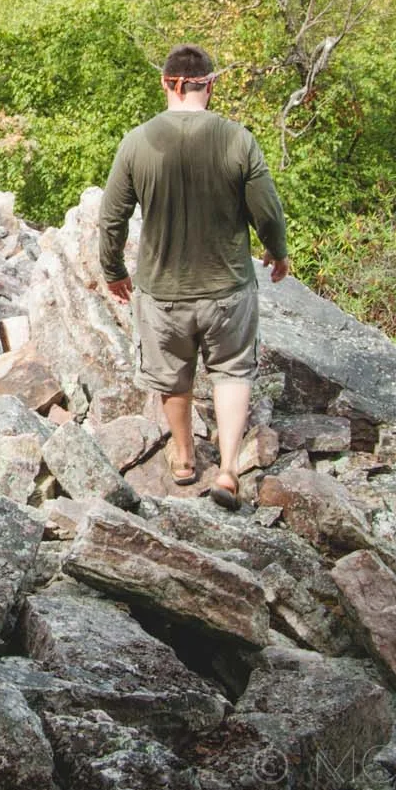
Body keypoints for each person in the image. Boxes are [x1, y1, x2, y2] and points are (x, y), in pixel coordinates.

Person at [97, 43, 289, 511]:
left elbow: (111, 218)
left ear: (166, 83)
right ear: (211, 84)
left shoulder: (137, 141)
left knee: (173, 378)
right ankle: (226, 470)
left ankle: (184, 460)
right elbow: (267, 210)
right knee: (231, 372)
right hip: (227, 287)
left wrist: (113, 270)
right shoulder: (238, 139)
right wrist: (277, 252)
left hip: (162, 291)